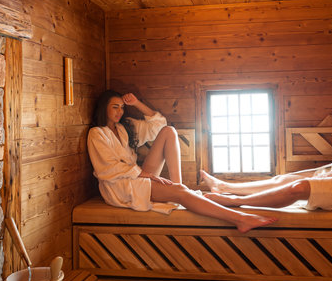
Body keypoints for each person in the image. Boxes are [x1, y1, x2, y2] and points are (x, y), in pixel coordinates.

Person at [200, 71, 332, 211]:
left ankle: (235, 201)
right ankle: (225, 186)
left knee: (298, 188)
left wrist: (329, 175)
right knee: (283, 179)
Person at [87, 90, 276, 232]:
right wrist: (141, 173)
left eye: (122, 107)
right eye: (115, 107)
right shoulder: (97, 134)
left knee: (169, 131)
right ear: (104, 107)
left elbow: (159, 124)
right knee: (180, 192)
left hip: (136, 177)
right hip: (119, 187)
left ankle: (179, 189)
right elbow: (107, 168)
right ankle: (238, 219)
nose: (120, 111)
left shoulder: (123, 128)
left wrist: (137, 103)